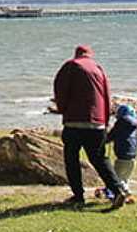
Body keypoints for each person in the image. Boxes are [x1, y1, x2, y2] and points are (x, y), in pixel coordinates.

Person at [52, 45, 126, 208]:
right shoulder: (98, 69)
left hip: (74, 121)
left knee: (72, 159)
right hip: (97, 123)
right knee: (100, 159)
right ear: (90, 55)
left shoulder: (71, 65)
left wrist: (62, 109)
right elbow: (107, 96)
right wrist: (105, 121)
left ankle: (78, 195)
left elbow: (60, 88)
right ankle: (118, 190)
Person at [103, 103, 137, 203]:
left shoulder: (121, 123)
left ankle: (126, 193)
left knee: (116, 179)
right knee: (125, 178)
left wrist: (104, 140)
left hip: (122, 157)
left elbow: (112, 135)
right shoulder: (134, 126)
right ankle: (124, 194)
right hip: (133, 157)